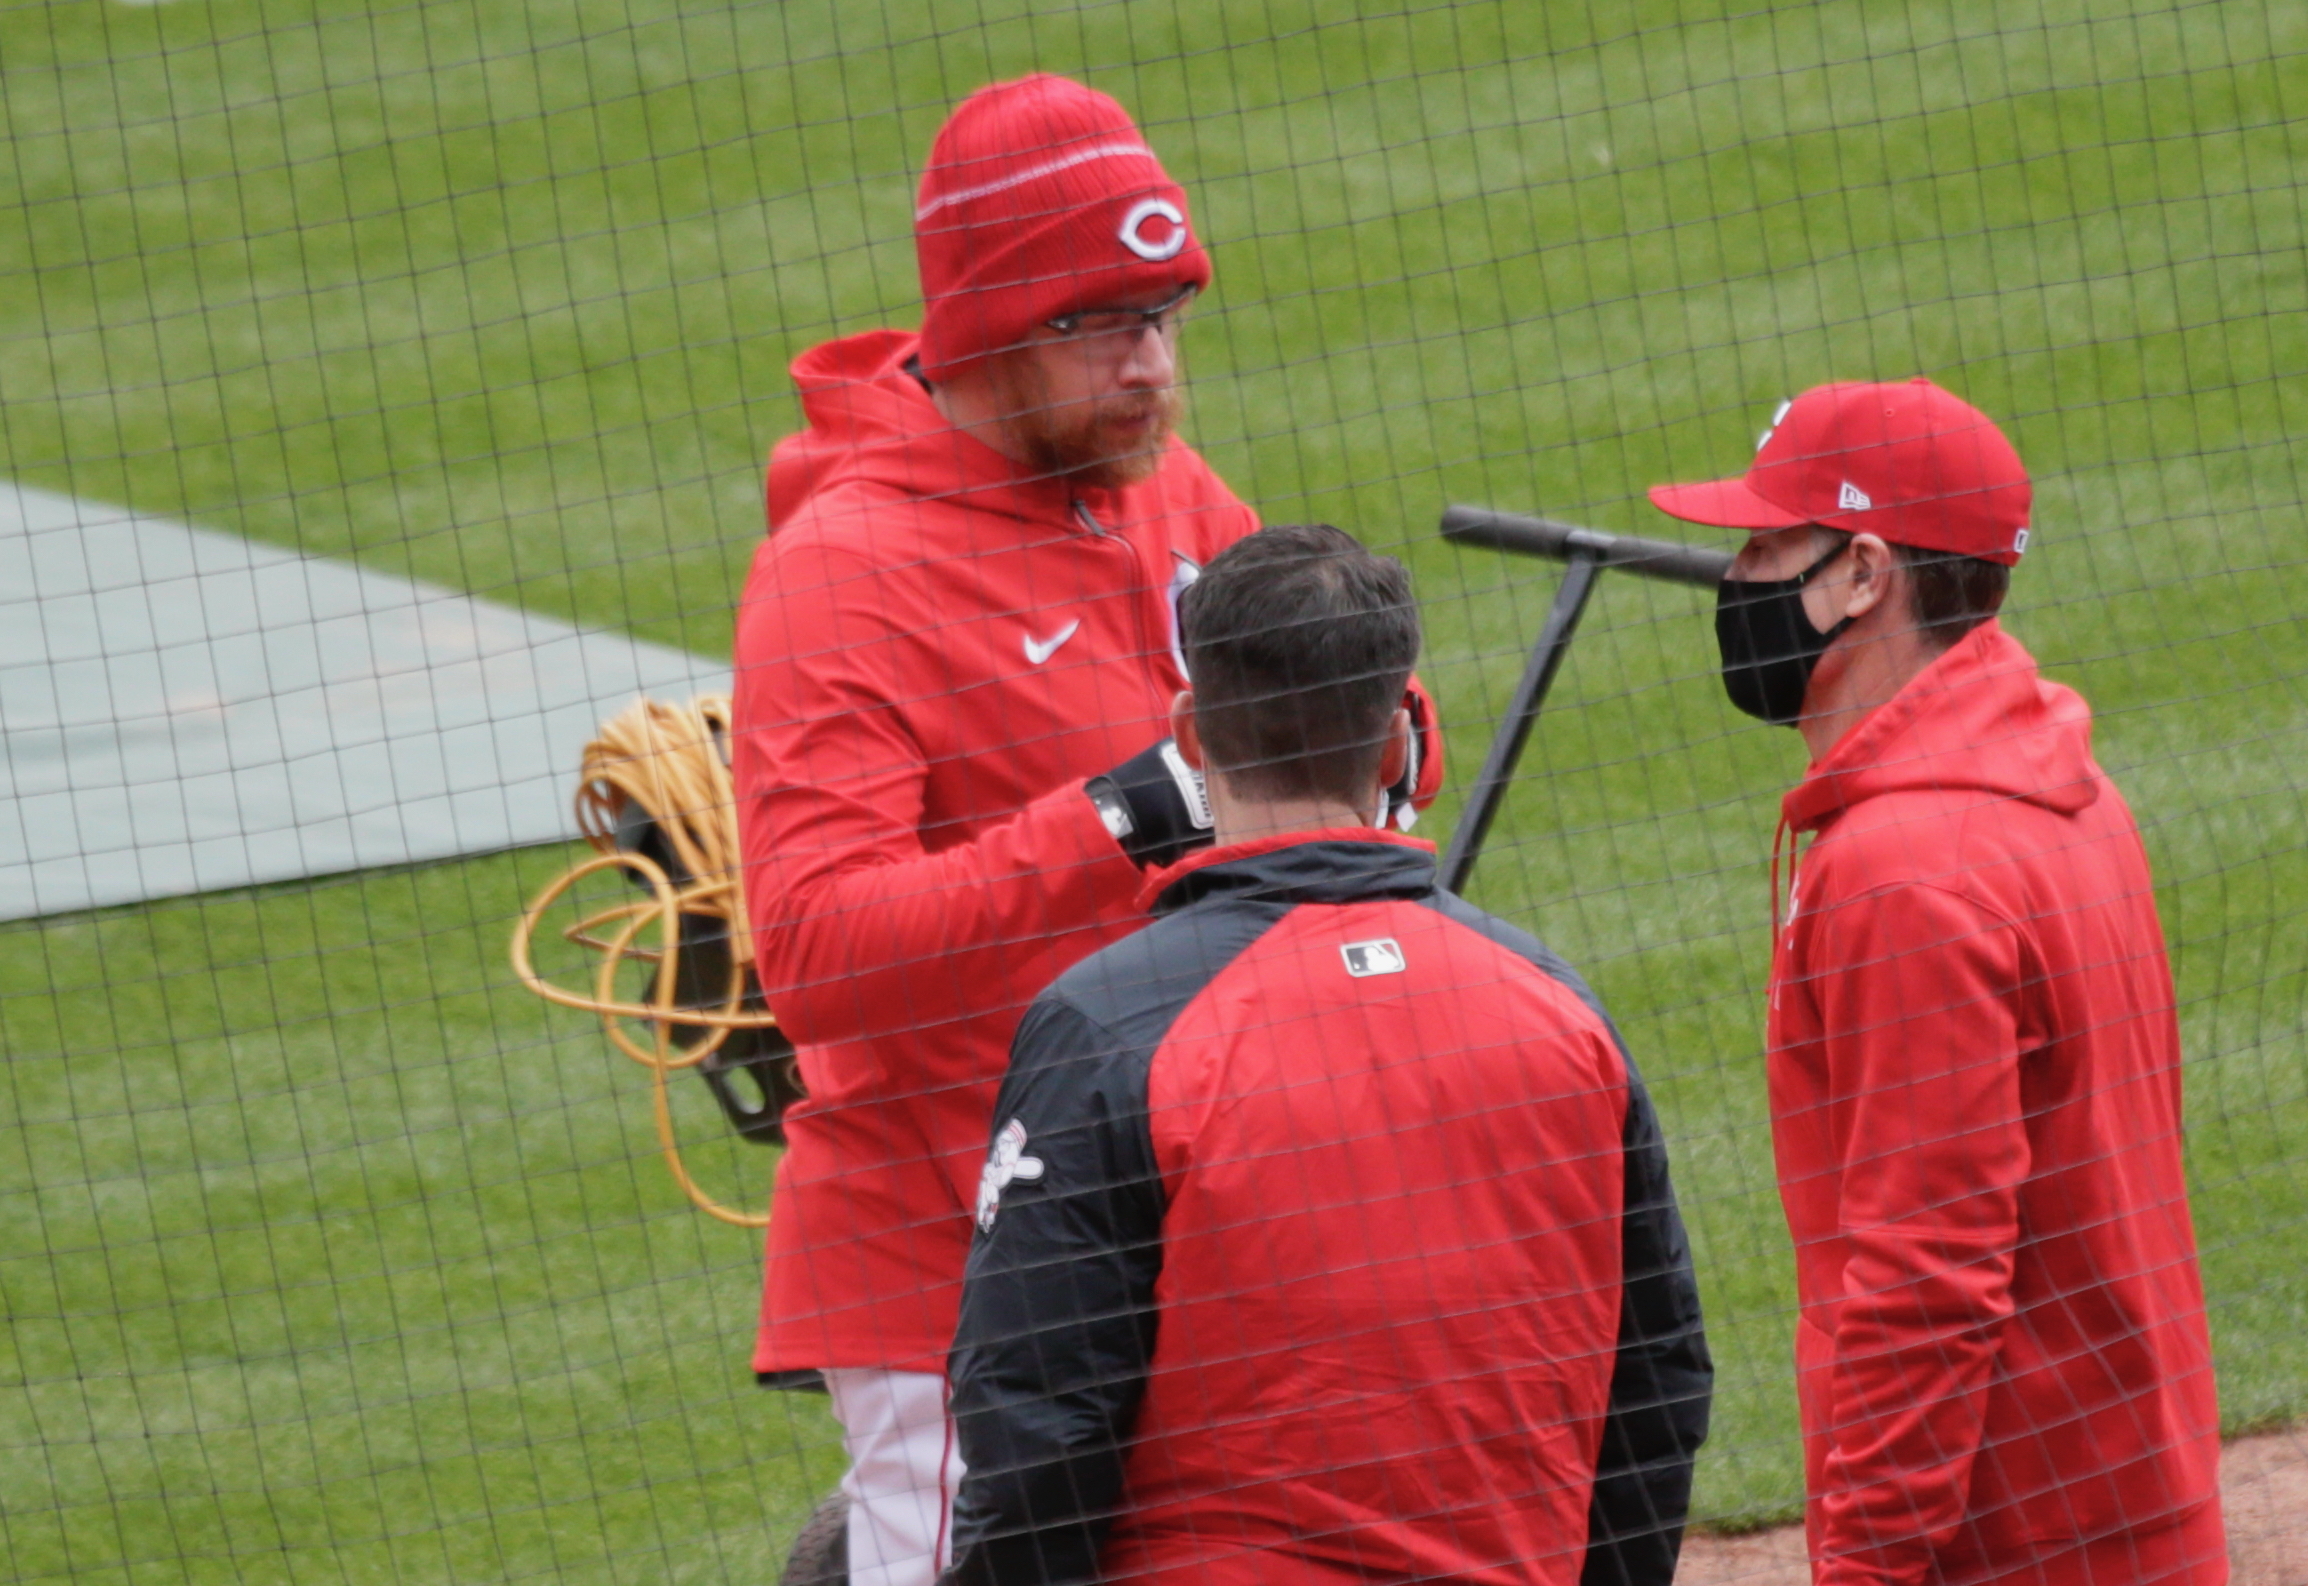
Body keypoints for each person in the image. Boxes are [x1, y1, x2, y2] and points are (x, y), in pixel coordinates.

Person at [731, 76, 1440, 1586]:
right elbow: (813, 959)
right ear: (986, 321)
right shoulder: (838, 576)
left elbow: (1301, 671)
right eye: (1102, 323)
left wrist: (1381, 721)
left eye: (1168, 317)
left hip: (1189, 1209)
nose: (1153, 369)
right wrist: (1121, 816)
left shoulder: (1158, 488)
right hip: (943, 1251)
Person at [943, 525, 1712, 1586]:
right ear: (1400, 741)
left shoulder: (1108, 1019)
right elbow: (1659, 1380)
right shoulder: (1558, 1005)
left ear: (1191, 737)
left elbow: (1035, 1420)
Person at [1649, 380, 2224, 1586]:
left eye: (1763, 544)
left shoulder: (1904, 873)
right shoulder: (2058, 788)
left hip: (2003, 1537)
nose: (1733, 578)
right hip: (2116, 1497)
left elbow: (1929, 1277)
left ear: (1864, 573)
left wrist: (1862, 1562)